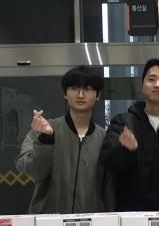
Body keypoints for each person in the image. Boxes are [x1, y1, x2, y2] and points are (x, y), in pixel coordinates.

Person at [16, 66, 112, 213]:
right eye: (74, 88)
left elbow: (109, 188)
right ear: (65, 94)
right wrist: (46, 140)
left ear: (98, 95)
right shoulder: (46, 129)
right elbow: (32, 170)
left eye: (87, 89)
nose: (81, 94)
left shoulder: (105, 138)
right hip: (49, 222)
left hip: (91, 222)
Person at [100, 58, 159, 211]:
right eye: (151, 79)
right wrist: (125, 150)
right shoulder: (123, 122)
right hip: (130, 215)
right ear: (142, 86)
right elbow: (109, 166)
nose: (157, 85)